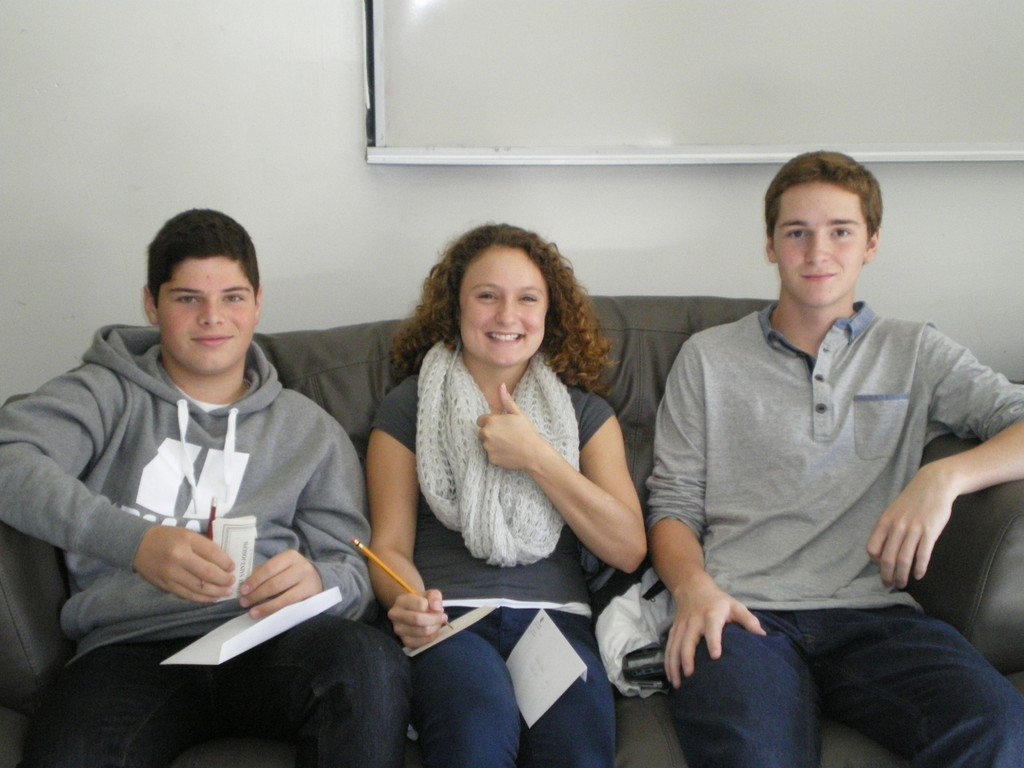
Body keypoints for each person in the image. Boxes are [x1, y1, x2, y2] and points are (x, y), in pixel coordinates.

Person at [646, 150, 1024, 767]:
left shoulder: (916, 350)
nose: (817, 252)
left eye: (840, 232)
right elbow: (673, 505)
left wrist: (946, 475)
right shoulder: (707, 357)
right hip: (741, 614)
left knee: (999, 729)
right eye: (797, 232)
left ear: (871, 243)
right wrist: (693, 590)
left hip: (877, 616)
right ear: (771, 245)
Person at [0, 209, 409, 768]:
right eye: (188, 298)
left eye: (232, 298)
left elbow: (355, 569)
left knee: (370, 665)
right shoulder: (103, 394)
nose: (212, 317)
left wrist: (321, 581)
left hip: (272, 641)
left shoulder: (311, 430)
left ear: (258, 303)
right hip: (130, 649)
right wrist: (136, 544)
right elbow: (10, 462)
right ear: (152, 305)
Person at [366, 223, 645, 768]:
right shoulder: (408, 406)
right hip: (451, 622)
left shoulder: (586, 413)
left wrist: (538, 456)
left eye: (527, 298)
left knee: (577, 752)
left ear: (550, 312)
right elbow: (389, 546)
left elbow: (629, 547)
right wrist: (409, 602)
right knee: (477, 729)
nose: (507, 315)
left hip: (555, 622)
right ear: (455, 306)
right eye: (487, 296)